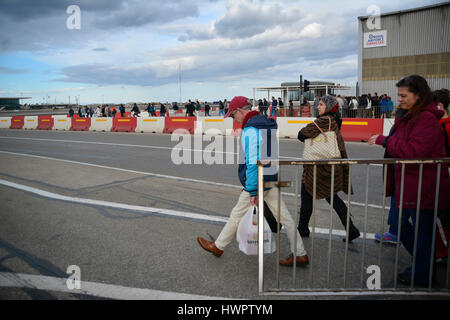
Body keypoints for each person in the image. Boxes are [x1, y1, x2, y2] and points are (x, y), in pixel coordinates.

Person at [197, 96, 309, 266]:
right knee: (285, 218)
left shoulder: (250, 130)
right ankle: (300, 253)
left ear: (240, 111)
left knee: (237, 213)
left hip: (259, 180)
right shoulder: (266, 125)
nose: (234, 120)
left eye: (233, 116)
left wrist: (252, 189)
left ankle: (218, 246)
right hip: (270, 176)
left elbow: (252, 162)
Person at [368, 75, 450, 286]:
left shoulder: (426, 119)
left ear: (419, 95)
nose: (400, 99)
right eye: (399, 95)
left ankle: (423, 273)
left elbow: (414, 150)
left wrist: (384, 140)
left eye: (404, 96)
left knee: (422, 232)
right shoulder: (410, 116)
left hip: (424, 185)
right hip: (407, 183)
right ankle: (425, 264)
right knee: (398, 224)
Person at [297, 95, 360, 242]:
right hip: (329, 166)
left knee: (307, 195)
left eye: (321, 104)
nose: (318, 107)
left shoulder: (324, 121)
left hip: (318, 167)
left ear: (330, 107)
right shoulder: (335, 121)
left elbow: (302, 134)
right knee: (332, 198)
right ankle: (351, 229)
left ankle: (303, 228)